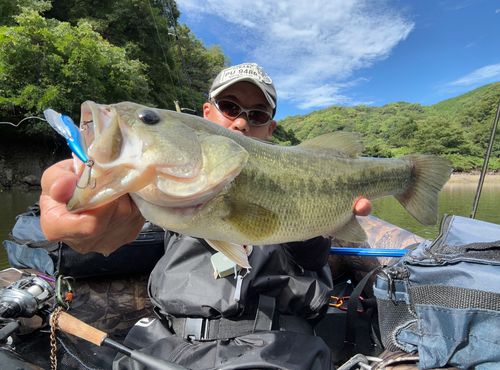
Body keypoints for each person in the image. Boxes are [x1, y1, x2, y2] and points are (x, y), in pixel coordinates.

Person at [40, 63, 372, 370]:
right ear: (207, 113)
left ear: (270, 129)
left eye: (256, 115)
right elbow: (122, 228)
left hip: (282, 351)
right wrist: (91, 218)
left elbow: (312, 260)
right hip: (175, 351)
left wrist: (321, 218)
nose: (241, 121)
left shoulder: (298, 179)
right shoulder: (152, 191)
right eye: (230, 108)